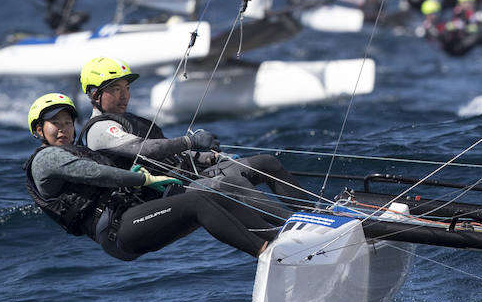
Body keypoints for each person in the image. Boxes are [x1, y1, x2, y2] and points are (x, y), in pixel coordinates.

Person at [23, 93, 276, 260]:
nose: (63, 129)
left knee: (212, 192)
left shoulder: (75, 150)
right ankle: (266, 252)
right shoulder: (46, 158)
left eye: (67, 123)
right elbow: (96, 173)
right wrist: (142, 179)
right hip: (118, 230)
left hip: (132, 220)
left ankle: (278, 238)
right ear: (38, 130)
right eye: (54, 124)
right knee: (198, 201)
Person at [76, 56, 314, 214]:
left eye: (126, 88)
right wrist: (190, 141)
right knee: (233, 183)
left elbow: (168, 155)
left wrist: (209, 157)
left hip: (188, 176)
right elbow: (144, 150)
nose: (124, 95)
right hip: (160, 195)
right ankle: (289, 226)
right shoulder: (99, 129)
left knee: (266, 163)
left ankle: (313, 213)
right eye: (115, 89)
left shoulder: (126, 120)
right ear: (95, 95)